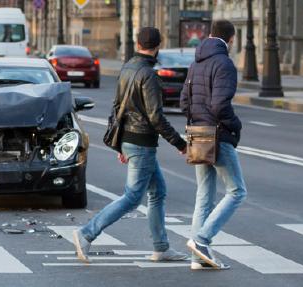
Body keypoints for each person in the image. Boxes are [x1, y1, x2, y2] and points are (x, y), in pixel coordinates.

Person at [72, 27, 188, 263]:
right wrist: (179, 142)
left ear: (137, 43)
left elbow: (117, 108)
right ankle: (86, 233)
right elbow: (156, 117)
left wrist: (120, 145)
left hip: (131, 140)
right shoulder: (149, 74)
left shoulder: (127, 68)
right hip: (142, 142)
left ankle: (161, 247)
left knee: (158, 191)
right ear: (158, 46)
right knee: (133, 197)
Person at [180, 20, 248, 270]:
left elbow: (184, 102)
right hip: (218, 135)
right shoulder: (224, 63)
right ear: (231, 40)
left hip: (197, 134)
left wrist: (195, 125)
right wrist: (235, 125)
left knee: (204, 195)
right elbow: (220, 105)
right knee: (237, 191)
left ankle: (198, 258)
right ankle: (202, 240)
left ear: (209, 35)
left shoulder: (196, 62)